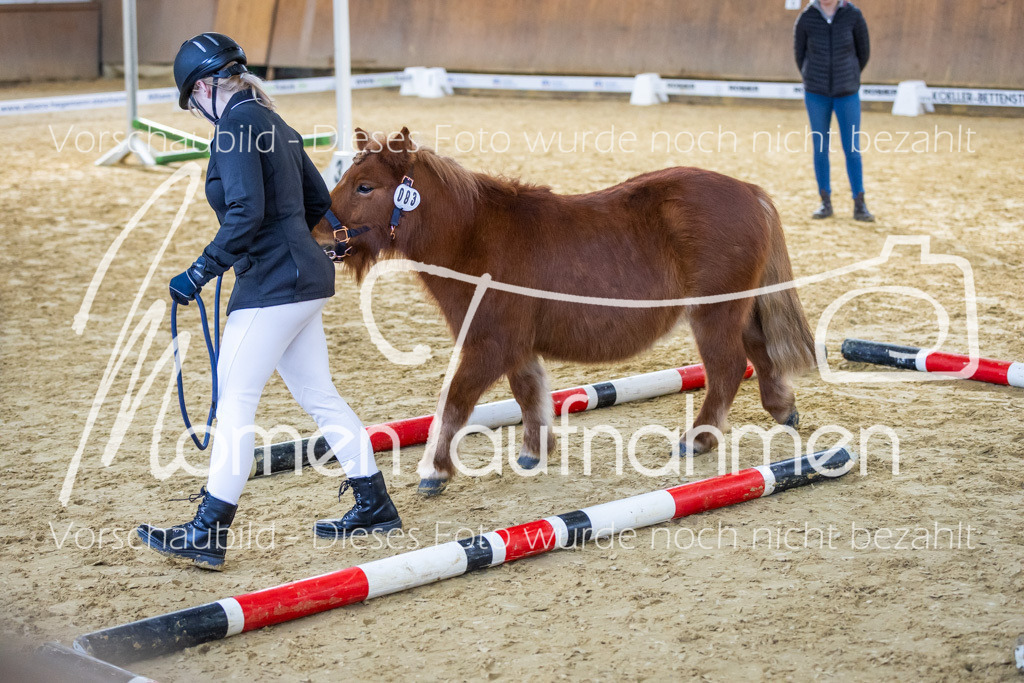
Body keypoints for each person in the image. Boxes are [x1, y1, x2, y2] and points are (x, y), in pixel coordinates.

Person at [136, 33, 401, 571]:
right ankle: (374, 504)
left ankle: (209, 530)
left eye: (193, 105)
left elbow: (245, 211)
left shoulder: (234, 126)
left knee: (235, 402)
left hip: (273, 287)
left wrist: (201, 271)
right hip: (305, 282)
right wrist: (293, 247)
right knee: (320, 395)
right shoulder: (277, 125)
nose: (198, 115)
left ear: (207, 87)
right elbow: (312, 202)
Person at [794, 0, 875, 222]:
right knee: (820, 148)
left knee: (852, 149)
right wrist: (814, 79)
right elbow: (799, 55)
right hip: (816, 94)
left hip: (847, 93)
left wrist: (849, 76)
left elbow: (863, 52)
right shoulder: (807, 17)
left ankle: (860, 204)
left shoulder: (853, 15)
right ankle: (825, 201)